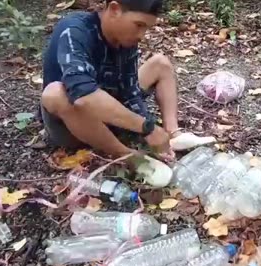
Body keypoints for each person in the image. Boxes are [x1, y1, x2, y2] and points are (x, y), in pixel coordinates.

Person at [40, 0, 180, 161]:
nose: (142, 35)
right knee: (55, 94)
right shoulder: (75, 30)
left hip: (109, 109)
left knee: (160, 64)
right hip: (73, 123)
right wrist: (147, 127)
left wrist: (149, 129)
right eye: (139, 25)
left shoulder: (125, 38)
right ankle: (126, 156)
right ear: (114, 9)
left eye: (146, 28)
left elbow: (130, 91)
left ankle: (173, 135)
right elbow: (83, 96)